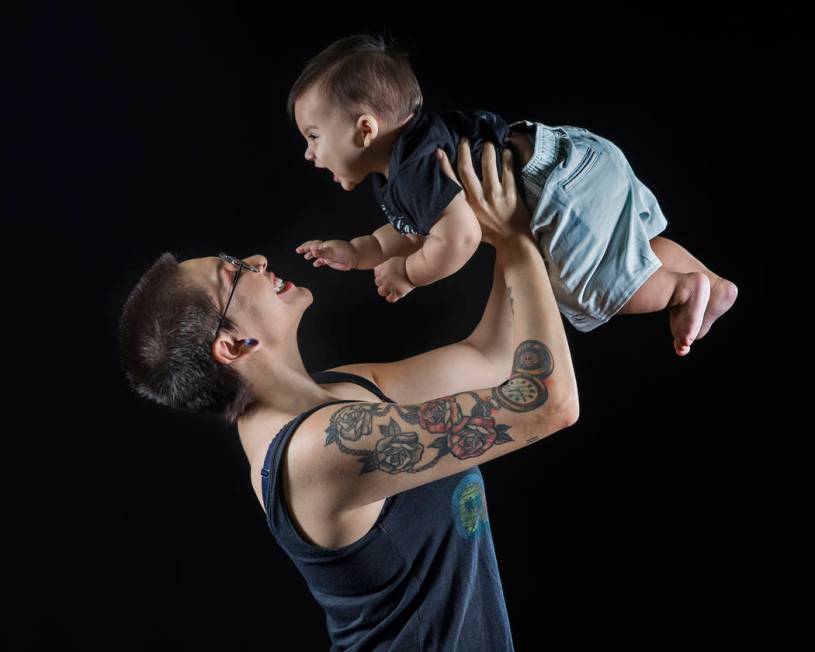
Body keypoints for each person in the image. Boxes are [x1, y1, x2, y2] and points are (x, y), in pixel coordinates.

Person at [117, 137, 578, 650]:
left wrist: (512, 215)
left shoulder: (340, 390)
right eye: (232, 271)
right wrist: (513, 241)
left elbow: (492, 358)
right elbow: (547, 403)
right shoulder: (316, 452)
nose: (254, 259)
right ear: (232, 344)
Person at [288, 33, 738, 357]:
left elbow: (458, 237)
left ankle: (682, 288)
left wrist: (409, 274)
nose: (310, 154)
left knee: (584, 287)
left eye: (313, 136)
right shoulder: (412, 160)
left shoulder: (413, 170)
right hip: (571, 154)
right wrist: (357, 251)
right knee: (628, 249)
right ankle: (711, 286)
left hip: (555, 190)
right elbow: (410, 230)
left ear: (365, 129)